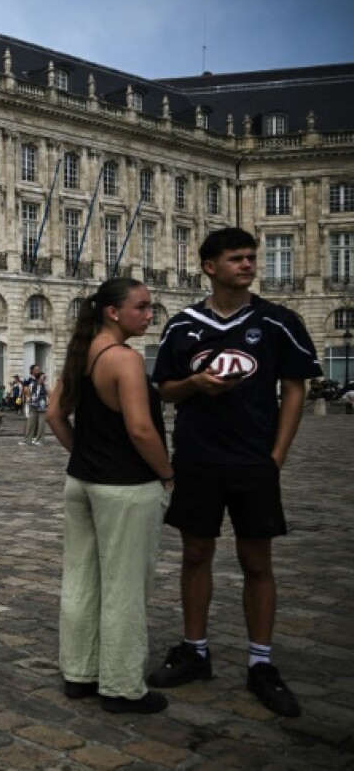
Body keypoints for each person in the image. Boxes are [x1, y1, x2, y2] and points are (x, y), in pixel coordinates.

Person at [149, 227, 322, 718]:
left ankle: (261, 663)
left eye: (251, 258)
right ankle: (195, 650)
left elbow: (294, 389)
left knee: (257, 562)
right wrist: (194, 383)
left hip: (253, 462)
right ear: (209, 266)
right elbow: (164, 390)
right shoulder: (182, 326)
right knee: (195, 554)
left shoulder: (277, 322)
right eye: (236, 258)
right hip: (199, 458)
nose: (247, 265)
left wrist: (278, 455)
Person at [45, 278, 174, 715]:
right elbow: (141, 429)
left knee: (81, 579)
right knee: (124, 588)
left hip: (82, 481)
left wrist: (84, 452)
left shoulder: (81, 353)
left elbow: (53, 415)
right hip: (125, 487)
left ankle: (80, 673)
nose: (148, 314)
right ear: (113, 312)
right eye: (141, 307)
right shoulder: (125, 360)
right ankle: (120, 685)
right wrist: (168, 473)